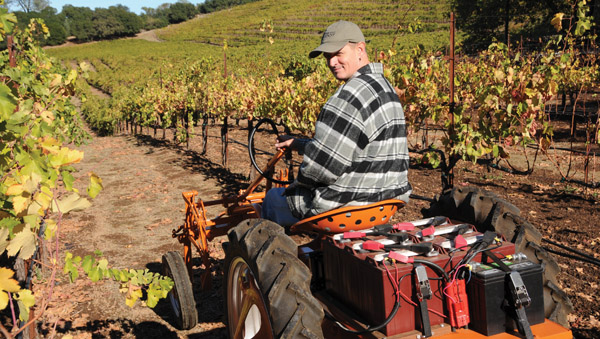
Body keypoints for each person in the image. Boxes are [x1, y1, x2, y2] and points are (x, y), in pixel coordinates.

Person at [261, 20, 412, 226]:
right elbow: (354, 149)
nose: (332, 62)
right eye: (327, 56)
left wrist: (297, 185)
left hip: (345, 208)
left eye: (338, 53)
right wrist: (299, 144)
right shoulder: (386, 88)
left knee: (272, 199)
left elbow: (322, 168)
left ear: (360, 49)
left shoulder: (350, 94)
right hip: (384, 204)